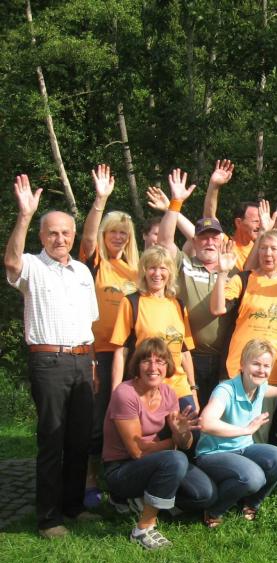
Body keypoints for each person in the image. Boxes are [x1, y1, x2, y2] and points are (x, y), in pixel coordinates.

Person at [5, 174, 99, 538]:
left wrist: (92, 365)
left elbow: (88, 323)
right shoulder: (32, 265)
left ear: (73, 236)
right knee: (52, 439)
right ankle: (48, 517)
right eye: (53, 233)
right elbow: (11, 263)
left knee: (79, 439)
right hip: (49, 363)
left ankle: (74, 506)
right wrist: (25, 215)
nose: (60, 239)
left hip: (82, 359)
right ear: (42, 236)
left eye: (65, 233)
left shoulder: (82, 272)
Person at [102, 338, 215, 549]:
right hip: (121, 469)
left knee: (205, 495)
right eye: (146, 361)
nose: (153, 367)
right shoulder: (125, 393)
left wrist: (182, 433)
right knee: (175, 460)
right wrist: (173, 442)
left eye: (160, 361)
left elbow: (184, 445)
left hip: (155, 462)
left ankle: (145, 500)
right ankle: (143, 528)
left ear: (168, 366)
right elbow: (137, 452)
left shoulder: (168, 393)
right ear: (137, 365)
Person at [196, 340, 277, 527]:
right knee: (254, 477)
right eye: (256, 364)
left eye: (266, 366)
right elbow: (205, 423)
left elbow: (268, 390)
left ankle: (251, 503)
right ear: (242, 364)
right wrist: (246, 430)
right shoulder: (225, 390)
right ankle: (214, 509)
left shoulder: (259, 387)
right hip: (214, 453)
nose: (261, 370)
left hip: (243, 448)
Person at [78, 165, 139, 507]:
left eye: (124, 234)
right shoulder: (95, 262)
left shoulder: (134, 270)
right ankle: (88, 480)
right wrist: (100, 200)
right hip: (98, 352)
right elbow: (88, 239)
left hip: (127, 354)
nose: (118, 237)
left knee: (124, 419)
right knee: (96, 420)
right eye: (113, 231)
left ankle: (120, 481)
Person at [210, 230, 277, 439]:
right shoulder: (243, 279)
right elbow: (217, 309)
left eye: (274, 249)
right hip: (237, 371)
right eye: (263, 248)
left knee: (260, 437)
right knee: (231, 435)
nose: (268, 253)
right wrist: (222, 274)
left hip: (271, 374)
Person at [157, 168, 230, 409]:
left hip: (224, 358)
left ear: (222, 241)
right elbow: (164, 242)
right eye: (203, 237)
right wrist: (175, 203)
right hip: (189, 356)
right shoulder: (184, 264)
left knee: (218, 414)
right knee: (190, 413)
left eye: (214, 238)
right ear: (195, 241)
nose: (209, 242)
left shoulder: (232, 271)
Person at [110, 245, 199, 413]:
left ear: (170, 273)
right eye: (152, 268)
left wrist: (193, 390)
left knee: (191, 427)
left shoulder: (178, 304)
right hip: (146, 386)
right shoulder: (131, 302)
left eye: (163, 268)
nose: (157, 273)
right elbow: (121, 351)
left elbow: (185, 352)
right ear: (144, 271)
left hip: (179, 387)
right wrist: (116, 392)